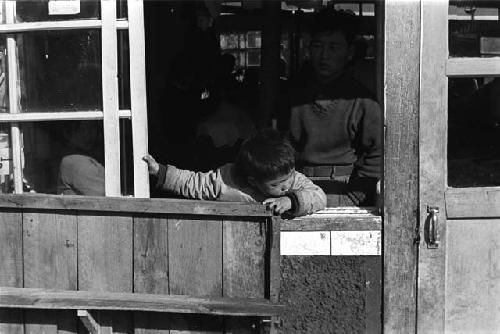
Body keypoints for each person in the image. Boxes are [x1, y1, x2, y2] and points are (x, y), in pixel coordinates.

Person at [288, 8, 382, 206]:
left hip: (343, 190)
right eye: (318, 46)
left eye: (334, 47)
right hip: (296, 188)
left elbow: (378, 154)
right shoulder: (292, 96)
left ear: (349, 53)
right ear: (309, 49)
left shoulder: (362, 100)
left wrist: (355, 196)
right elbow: (277, 146)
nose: (324, 56)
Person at [143, 128, 326, 217]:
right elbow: (193, 183)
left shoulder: (295, 183)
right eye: (276, 184)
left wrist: (291, 201)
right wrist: (160, 171)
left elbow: (319, 197)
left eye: (289, 177)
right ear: (253, 181)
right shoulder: (226, 181)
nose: (286, 186)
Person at [57, 121, 105, 196]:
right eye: (82, 129)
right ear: (69, 133)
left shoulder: (88, 155)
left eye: (92, 128)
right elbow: (106, 192)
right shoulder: (73, 160)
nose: (88, 133)